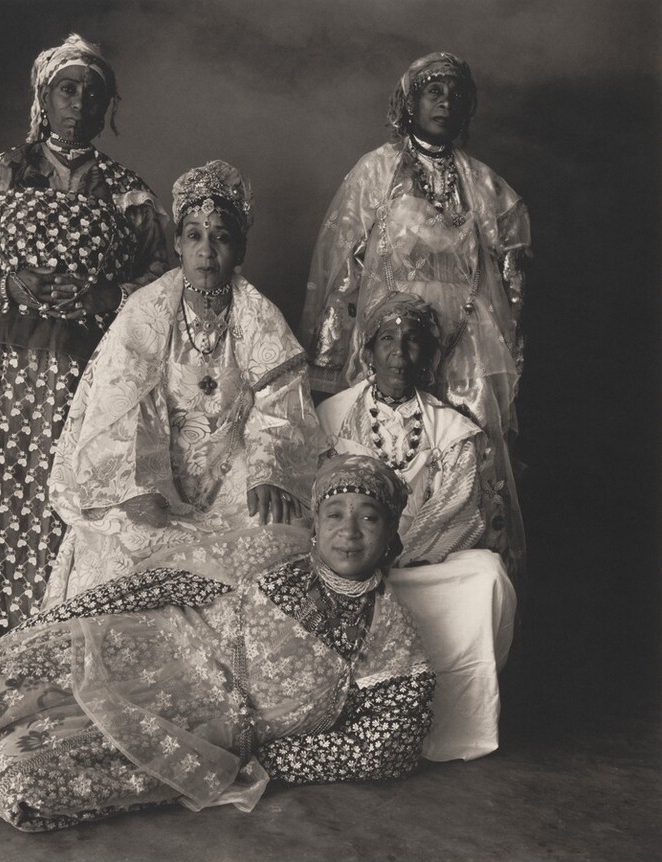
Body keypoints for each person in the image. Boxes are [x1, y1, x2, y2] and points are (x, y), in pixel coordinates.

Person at [0, 455, 435, 832]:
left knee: (25, 778)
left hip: (200, 724)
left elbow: (390, 744)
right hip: (145, 645)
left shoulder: (389, 633)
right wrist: (51, 623)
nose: (349, 531)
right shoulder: (274, 551)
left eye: (369, 518)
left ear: (392, 536)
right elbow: (160, 583)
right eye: (335, 514)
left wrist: (262, 759)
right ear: (315, 524)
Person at [0, 35, 168, 651]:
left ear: (106, 105)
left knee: (78, 493)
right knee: (9, 489)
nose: (79, 103)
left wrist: (107, 298)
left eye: (92, 92)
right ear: (43, 96)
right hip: (8, 365)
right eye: (67, 89)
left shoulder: (124, 188)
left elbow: (163, 281)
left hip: (92, 369)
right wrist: (9, 286)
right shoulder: (7, 171)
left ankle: (63, 638)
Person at [41, 160, 326, 607]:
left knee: (275, 531)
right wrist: (138, 489)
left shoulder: (259, 316)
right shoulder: (144, 312)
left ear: (241, 250)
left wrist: (269, 470)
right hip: (156, 479)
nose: (206, 252)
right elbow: (123, 407)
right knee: (122, 540)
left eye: (221, 238)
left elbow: (280, 399)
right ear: (177, 244)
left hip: (231, 478)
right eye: (194, 235)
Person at [299, 51, 530, 582]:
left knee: (466, 448)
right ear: (410, 102)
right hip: (390, 333)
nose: (444, 103)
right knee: (380, 441)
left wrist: (509, 350)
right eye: (433, 92)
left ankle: (451, 575)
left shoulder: (485, 185)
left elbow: (512, 272)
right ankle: (361, 573)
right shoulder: (375, 170)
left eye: (455, 95)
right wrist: (330, 357)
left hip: (468, 338)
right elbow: (340, 267)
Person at [317, 292, 516, 760]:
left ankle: (457, 725)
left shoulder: (452, 429)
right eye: (387, 339)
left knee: (487, 574)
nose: (399, 353)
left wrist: (395, 551)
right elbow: (316, 496)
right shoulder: (330, 417)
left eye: (413, 342)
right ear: (368, 352)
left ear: (428, 356)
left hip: (417, 561)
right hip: (346, 559)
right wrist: (358, 549)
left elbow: (459, 510)